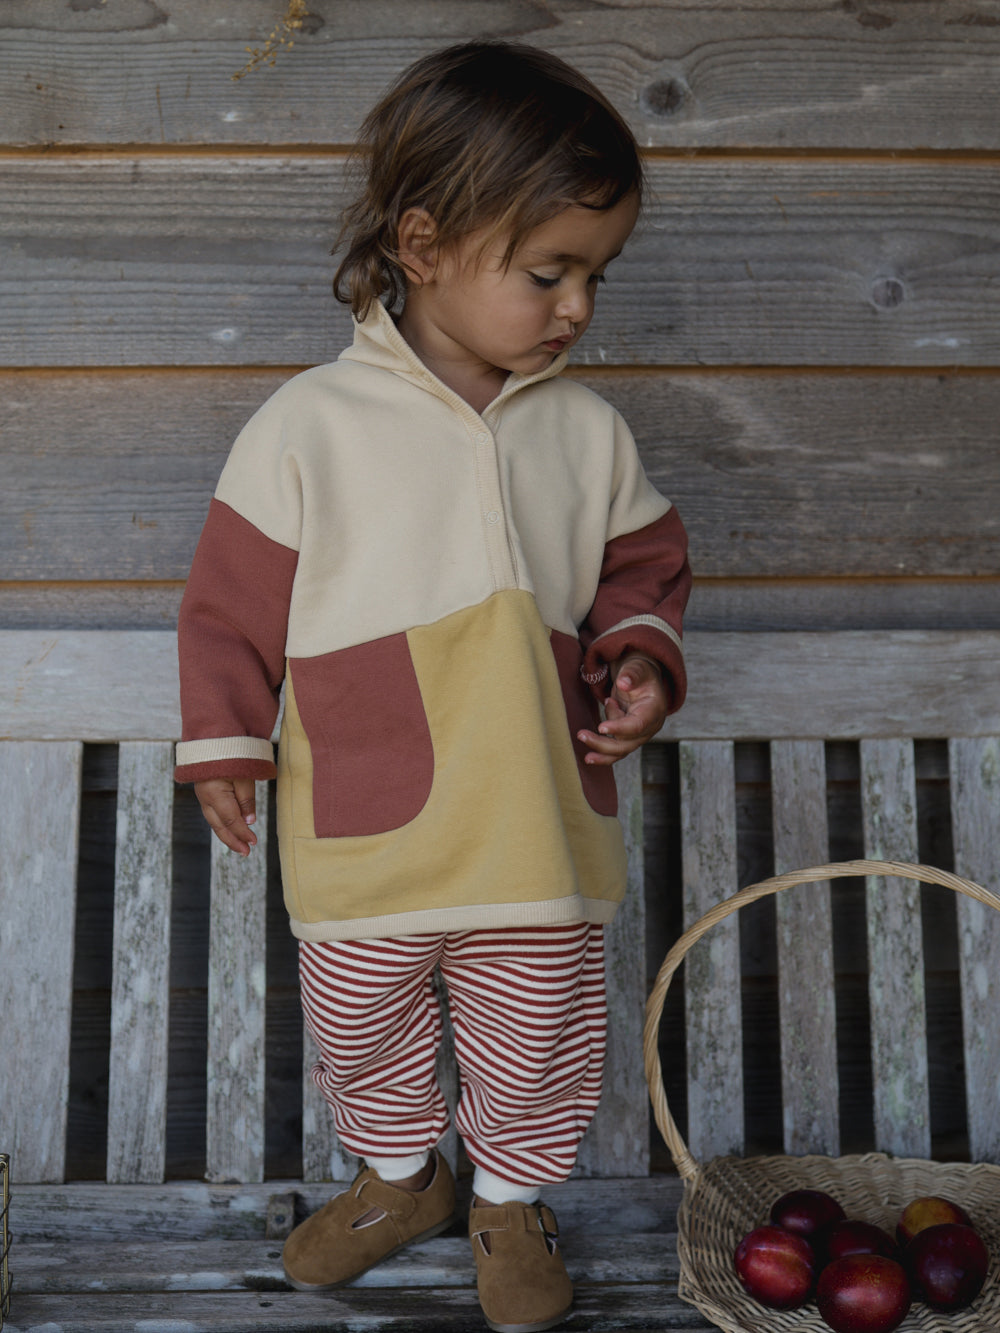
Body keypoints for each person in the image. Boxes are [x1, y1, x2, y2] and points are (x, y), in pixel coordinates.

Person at [175, 40, 690, 1333]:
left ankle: (509, 1199)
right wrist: (226, 740)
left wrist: (637, 660)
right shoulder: (309, 425)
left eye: (596, 274)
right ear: (422, 243)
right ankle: (402, 1179)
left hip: (534, 821)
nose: (577, 305)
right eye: (548, 271)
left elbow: (643, 569)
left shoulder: (588, 433)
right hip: (368, 820)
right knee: (363, 1020)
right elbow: (229, 606)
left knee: (537, 1028)